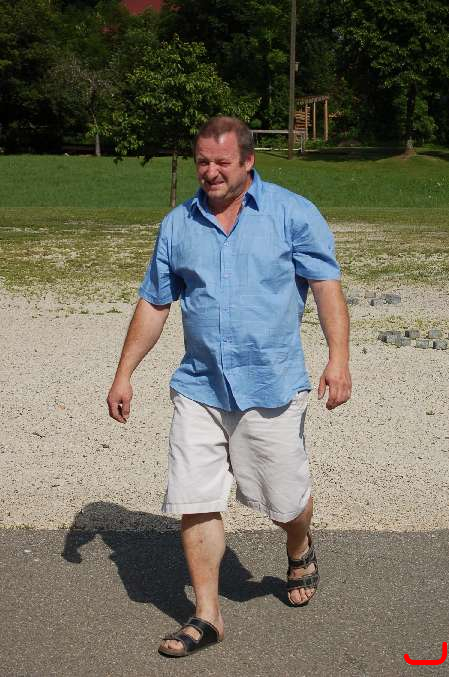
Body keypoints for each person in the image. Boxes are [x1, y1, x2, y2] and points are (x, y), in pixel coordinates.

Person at [107, 116, 351, 658]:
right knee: (195, 498)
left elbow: (326, 287)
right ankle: (207, 615)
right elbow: (155, 302)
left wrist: (338, 360)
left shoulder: (292, 214)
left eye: (221, 162)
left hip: (271, 387)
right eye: (202, 161)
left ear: (248, 161)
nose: (210, 171)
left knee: (285, 502)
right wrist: (125, 372)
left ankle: (299, 543)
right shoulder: (178, 225)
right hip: (199, 387)